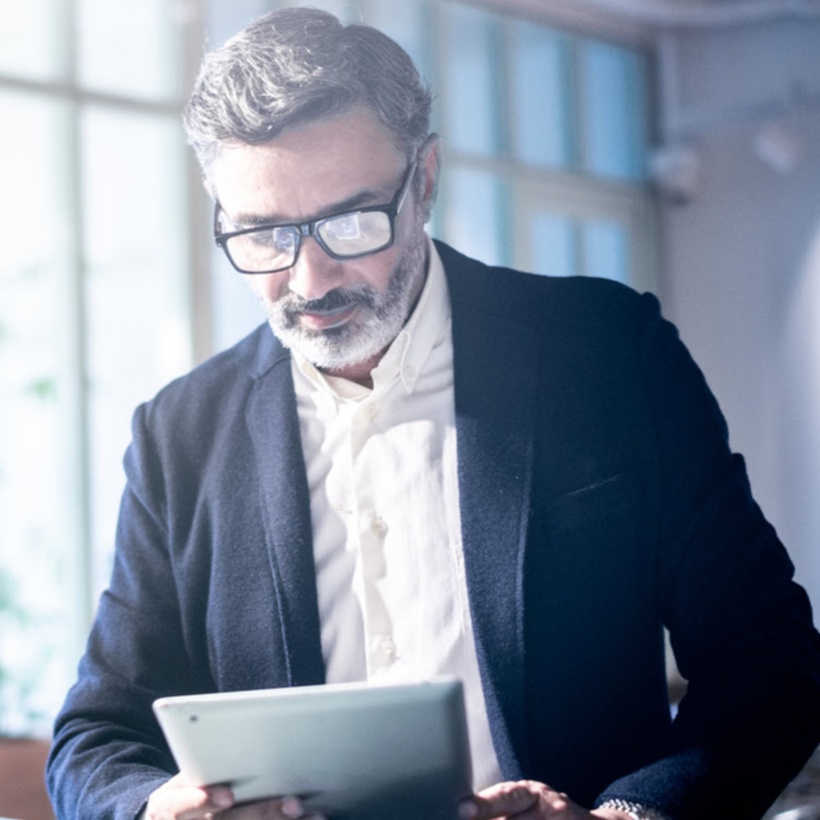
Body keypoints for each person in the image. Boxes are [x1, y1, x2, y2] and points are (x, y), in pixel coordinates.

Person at [46, 7, 820, 820]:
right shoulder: (180, 435)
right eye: (263, 234)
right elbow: (95, 737)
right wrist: (150, 809)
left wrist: (623, 818)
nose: (309, 280)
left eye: (349, 222)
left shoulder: (608, 354)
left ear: (424, 180)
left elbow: (768, 657)